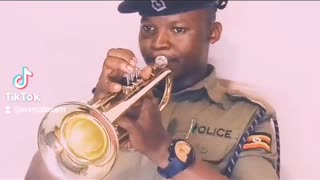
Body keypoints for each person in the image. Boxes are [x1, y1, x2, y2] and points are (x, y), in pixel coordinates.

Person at [25, 0, 281, 180]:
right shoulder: (116, 102)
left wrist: (163, 151)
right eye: (148, 29)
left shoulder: (247, 116)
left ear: (213, 33)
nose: (158, 43)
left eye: (178, 29)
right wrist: (95, 108)